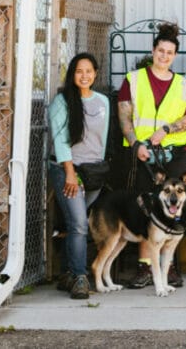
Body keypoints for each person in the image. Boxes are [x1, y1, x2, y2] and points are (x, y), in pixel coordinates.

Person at [117, 22, 186, 289]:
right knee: (147, 211)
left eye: (169, 52)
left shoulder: (184, 85)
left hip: (176, 154)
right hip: (145, 155)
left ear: (175, 55)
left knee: (175, 208)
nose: (164, 56)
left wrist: (166, 129)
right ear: (153, 51)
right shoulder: (134, 79)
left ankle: (169, 267)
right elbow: (125, 118)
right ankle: (145, 267)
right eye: (160, 51)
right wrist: (135, 143)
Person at [48, 52, 110, 299]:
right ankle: (80, 277)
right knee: (79, 224)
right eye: (78, 71)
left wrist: (101, 168)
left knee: (76, 224)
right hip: (69, 171)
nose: (84, 76)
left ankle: (66, 275)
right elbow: (60, 141)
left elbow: (103, 139)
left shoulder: (103, 102)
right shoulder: (61, 102)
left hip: (93, 171)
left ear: (95, 74)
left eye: (88, 71)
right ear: (72, 74)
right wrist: (70, 173)